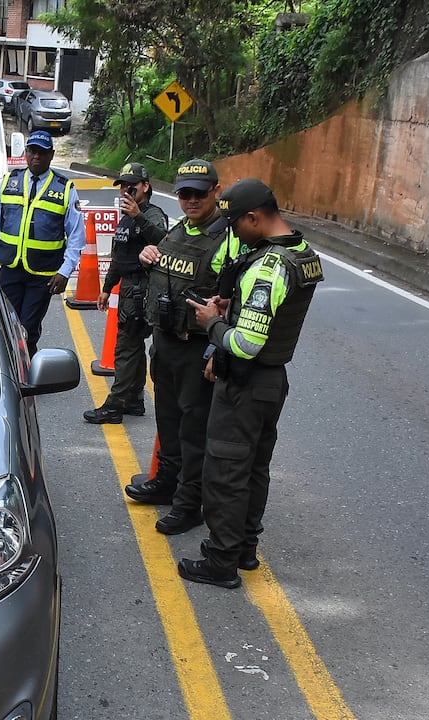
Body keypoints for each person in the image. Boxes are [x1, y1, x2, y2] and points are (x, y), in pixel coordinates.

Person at [177, 179, 324, 588]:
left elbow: (245, 343)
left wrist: (213, 325)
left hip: (246, 384)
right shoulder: (300, 252)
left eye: (235, 225)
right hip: (272, 381)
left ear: (254, 218)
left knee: (225, 472)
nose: (233, 234)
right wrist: (233, 305)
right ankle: (243, 549)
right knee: (254, 468)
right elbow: (270, 315)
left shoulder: (269, 266)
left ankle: (220, 562)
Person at [122, 159, 228, 536]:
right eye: (184, 193)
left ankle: (189, 503)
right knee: (167, 420)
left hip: (196, 347)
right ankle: (167, 482)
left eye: (199, 194)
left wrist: (219, 348)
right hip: (165, 342)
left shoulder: (227, 239)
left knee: (193, 429)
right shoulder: (179, 228)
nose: (191, 200)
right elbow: (167, 274)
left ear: (216, 192)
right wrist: (147, 256)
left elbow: (233, 300)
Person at [0, 130, 85, 356]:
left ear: (52, 155)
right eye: (32, 151)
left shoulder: (64, 188)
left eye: (42, 152)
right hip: (10, 269)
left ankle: (27, 377)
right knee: (5, 325)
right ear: (26, 153)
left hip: (44, 276)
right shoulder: (9, 182)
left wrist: (65, 272)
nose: (36, 157)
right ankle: (9, 370)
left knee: (27, 328)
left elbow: (76, 237)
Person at [84, 162, 168, 424]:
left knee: (125, 349)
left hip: (143, 291)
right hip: (128, 289)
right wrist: (107, 288)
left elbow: (163, 239)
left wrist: (137, 216)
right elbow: (119, 257)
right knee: (132, 347)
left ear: (145, 186)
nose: (125, 191)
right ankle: (134, 399)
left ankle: (115, 405)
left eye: (131, 185)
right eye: (122, 186)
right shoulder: (124, 218)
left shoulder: (152, 214)